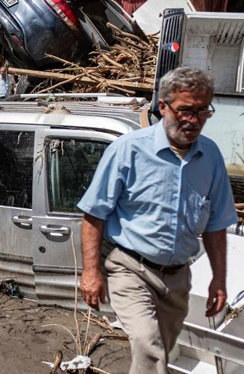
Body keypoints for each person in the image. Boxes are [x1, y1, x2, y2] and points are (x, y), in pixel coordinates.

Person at [77, 67, 237, 374]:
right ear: (163, 106)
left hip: (177, 277)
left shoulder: (212, 157)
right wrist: (91, 272)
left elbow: (216, 224)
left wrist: (219, 278)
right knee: (148, 345)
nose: (194, 120)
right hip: (130, 267)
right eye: (185, 110)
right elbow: (93, 214)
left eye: (203, 111)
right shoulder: (128, 150)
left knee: (161, 350)